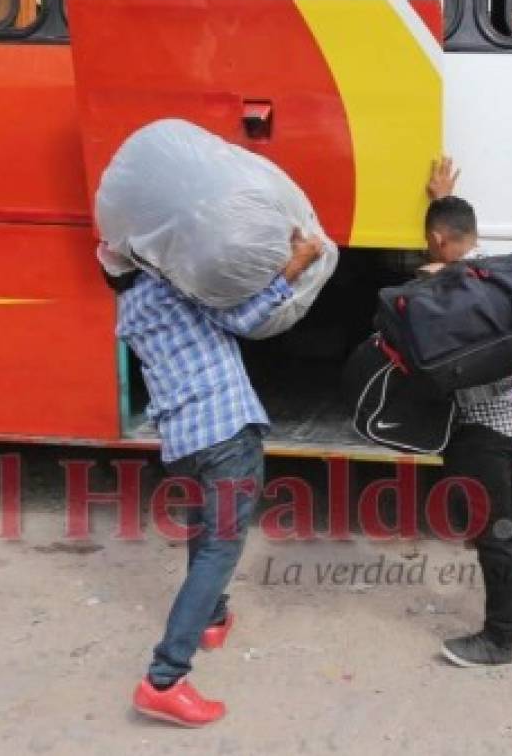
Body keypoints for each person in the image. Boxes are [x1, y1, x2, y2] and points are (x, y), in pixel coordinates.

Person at [119, 229, 325, 727]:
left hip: (182, 441)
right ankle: (164, 680)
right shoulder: (179, 288)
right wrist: (296, 263)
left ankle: (212, 619)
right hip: (225, 432)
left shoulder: (129, 310)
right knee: (219, 546)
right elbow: (247, 318)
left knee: (202, 528)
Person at [422, 158, 512, 667]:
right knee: (474, 519)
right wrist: (440, 199)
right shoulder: (492, 267)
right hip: (498, 421)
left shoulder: (462, 286)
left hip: (487, 426)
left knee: (491, 530)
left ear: (435, 239)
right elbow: (453, 237)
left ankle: (500, 639)